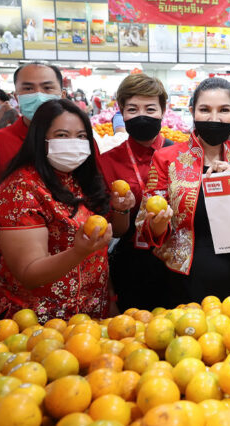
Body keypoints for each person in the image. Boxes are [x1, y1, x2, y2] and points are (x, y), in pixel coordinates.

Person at [0, 99, 134, 321]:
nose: (73, 143)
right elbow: (29, 273)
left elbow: (111, 237)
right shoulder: (21, 190)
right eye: (62, 135)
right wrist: (78, 252)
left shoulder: (81, 180)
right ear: (40, 139)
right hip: (37, 323)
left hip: (90, 317)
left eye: (81, 136)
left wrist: (122, 210)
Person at [136, 77, 230, 305]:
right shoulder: (167, 159)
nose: (214, 118)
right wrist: (158, 223)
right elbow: (145, 227)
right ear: (193, 112)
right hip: (186, 277)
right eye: (205, 110)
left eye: (224, 110)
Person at [0, 63, 64, 304]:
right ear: (16, 96)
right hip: (16, 285)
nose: (38, 94)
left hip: (81, 279)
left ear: (62, 95)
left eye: (47, 88)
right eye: (28, 88)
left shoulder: (80, 143)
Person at [96, 73, 176, 311]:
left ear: (163, 110)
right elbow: (116, 231)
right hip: (133, 263)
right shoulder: (108, 161)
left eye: (150, 109)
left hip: (179, 259)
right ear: (121, 112)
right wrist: (122, 209)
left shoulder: (182, 156)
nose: (142, 116)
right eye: (133, 109)